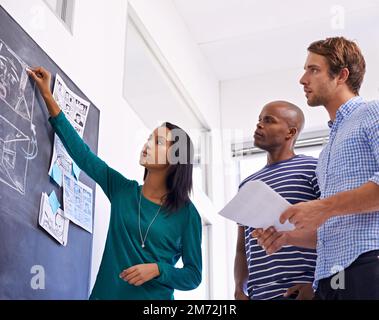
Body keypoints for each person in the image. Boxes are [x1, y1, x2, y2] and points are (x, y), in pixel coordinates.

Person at [27, 66, 202, 300]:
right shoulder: (123, 191)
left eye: (158, 142)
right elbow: (83, 155)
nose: (148, 144)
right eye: (150, 138)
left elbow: (193, 276)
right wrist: (47, 95)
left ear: (175, 159)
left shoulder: (187, 215)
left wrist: (159, 269)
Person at [254, 37, 379, 300]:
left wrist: (322, 207)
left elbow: (331, 210)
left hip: (368, 265)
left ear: (341, 75)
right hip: (329, 279)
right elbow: (335, 227)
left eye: (313, 69)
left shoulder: (373, 113)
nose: (302, 79)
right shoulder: (325, 154)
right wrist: (287, 238)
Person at [234, 101, 320, 300]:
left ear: (290, 132)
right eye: (259, 120)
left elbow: (333, 231)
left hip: (300, 293)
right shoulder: (247, 184)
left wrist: (316, 284)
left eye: (268, 120)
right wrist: (239, 288)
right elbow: (242, 247)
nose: (259, 125)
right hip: (259, 295)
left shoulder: (313, 169)